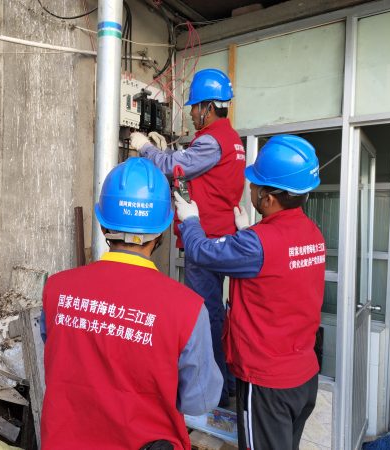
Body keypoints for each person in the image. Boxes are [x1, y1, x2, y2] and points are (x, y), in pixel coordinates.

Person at [40, 157, 223, 450]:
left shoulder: (57, 289)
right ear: (162, 230)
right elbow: (199, 400)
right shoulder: (187, 309)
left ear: (103, 225)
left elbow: (56, 354)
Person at [173, 135, 325, 450]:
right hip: (303, 376)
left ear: (268, 198)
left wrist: (191, 220)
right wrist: (246, 231)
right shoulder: (312, 234)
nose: (250, 190)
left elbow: (201, 252)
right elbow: (276, 269)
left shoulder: (257, 244)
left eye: (254, 185)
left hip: (267, 383)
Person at [130, 68, 246, 406]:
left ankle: (214, 394)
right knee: (216, 312)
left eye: (195, 107)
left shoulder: (211, 141)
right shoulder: (232, 140)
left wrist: (144, 147)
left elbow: (173, 167)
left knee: (205, 314)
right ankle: (228, 385)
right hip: (222, 235)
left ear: (208, 107)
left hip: (205, 238)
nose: (192, 115)